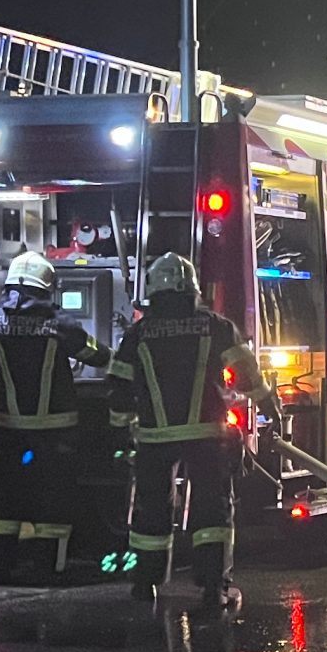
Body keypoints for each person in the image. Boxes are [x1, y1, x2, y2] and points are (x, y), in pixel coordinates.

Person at [110, 252, 262, 612]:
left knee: (150, 513)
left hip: (153, 439)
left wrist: (121, 431)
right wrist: (268, 404)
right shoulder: (216, 326)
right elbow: (246, 374)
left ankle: (145, 585)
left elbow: (119, 386)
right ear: (192, 289)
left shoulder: (138, 333)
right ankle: (214, 588)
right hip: (207, 435)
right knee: (212, 510)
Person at [0, 251, 110, 584]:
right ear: (47, 286)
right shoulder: (60, 324)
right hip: (55, 430)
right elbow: (96, 355)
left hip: (7, 428)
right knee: (53, 500)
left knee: (2, 502)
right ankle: (47, 568)